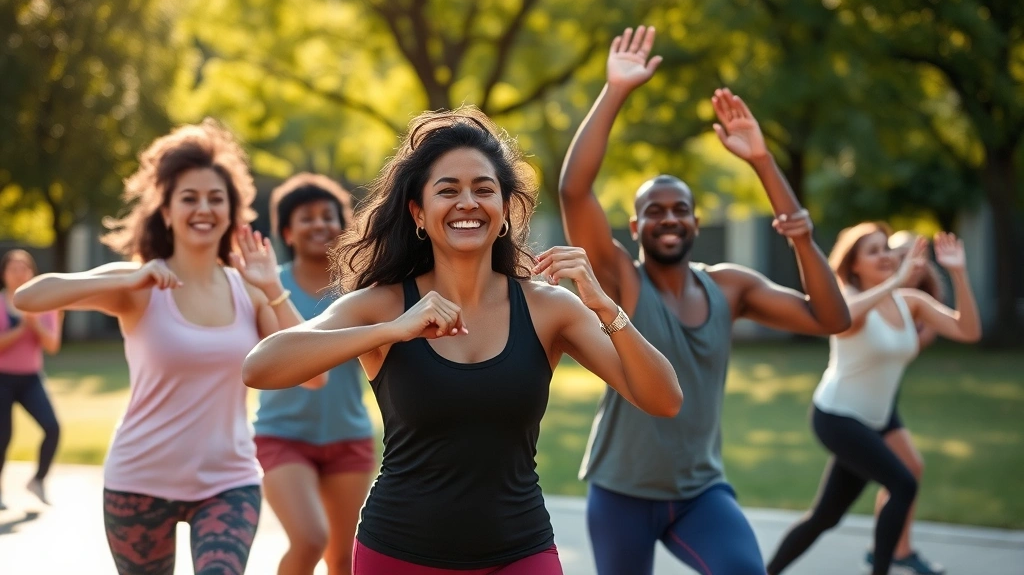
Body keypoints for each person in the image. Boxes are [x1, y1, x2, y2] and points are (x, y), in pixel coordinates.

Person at [242, 107, 683, 575]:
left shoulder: (549, 307)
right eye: (447, 190)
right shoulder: (384, 305)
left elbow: (665, 399)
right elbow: (261, 367)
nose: (467, 202)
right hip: (399, 554)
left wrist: (605, 308)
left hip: (521, 553)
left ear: (506, 209)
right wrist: (396, 330)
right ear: (418, 212)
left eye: (484, 189)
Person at [558, 26, 851, 575]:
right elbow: (574, 189)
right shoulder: (621, 278)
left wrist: (765, 165)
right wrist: (615, 90)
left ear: (696, 220)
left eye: (680, 209)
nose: (669, 218)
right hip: (621, 491)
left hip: (700, 492)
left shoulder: (730, 287)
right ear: (635, 225)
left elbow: (832, 317)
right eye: (655, 210)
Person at [13, 119, 313, 575]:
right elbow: (27, 297)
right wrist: (127, 276)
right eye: (188, 198)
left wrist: (274, 289)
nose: (203, 208)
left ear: (232, 212)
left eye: (216, 198)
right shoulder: (139, 284)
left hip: (228, 482)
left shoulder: (249, 291)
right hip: (139, 482)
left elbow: (314, 374)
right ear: (166, 211)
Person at [766, 224, 981, 575]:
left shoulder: (909, 303)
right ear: (853, 265)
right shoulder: (845, 302)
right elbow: (847, 320)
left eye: (887, 248)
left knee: (826, 517)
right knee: (902, 483)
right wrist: (896, 281)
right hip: (836, 417)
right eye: (874, 251)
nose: (886, 256)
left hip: (873, 421)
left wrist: (958, 273)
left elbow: (968, 331)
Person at [253, 173, 375, 575]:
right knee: (309, 539)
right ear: (287, 231)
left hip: (348, 436)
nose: (320, 224)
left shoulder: (359, 289)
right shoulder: (268, 285)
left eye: (329, 215)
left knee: (343, 560)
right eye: (307, 218)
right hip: (282, 435)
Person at [857, 230, 948, 575]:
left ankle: (896, 548)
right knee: (902, 475)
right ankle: (891, 550)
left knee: (906, 472)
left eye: (915, 253)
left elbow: (922, 341)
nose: (904, 258)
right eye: (900, 251)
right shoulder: (873, 292)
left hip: (883, 399)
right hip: (855, 404)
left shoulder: (913, 300)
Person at [0, 249, 62, 510]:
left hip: (31, 379)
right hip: (2, 378)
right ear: (4, 274)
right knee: (3, 437)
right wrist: (23, 327)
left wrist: (35, 324)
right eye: (13, 268)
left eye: (24, 268)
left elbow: (52, 345)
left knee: (52, 427)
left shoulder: (44, 304)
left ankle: (37, 480)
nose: (19, 273)